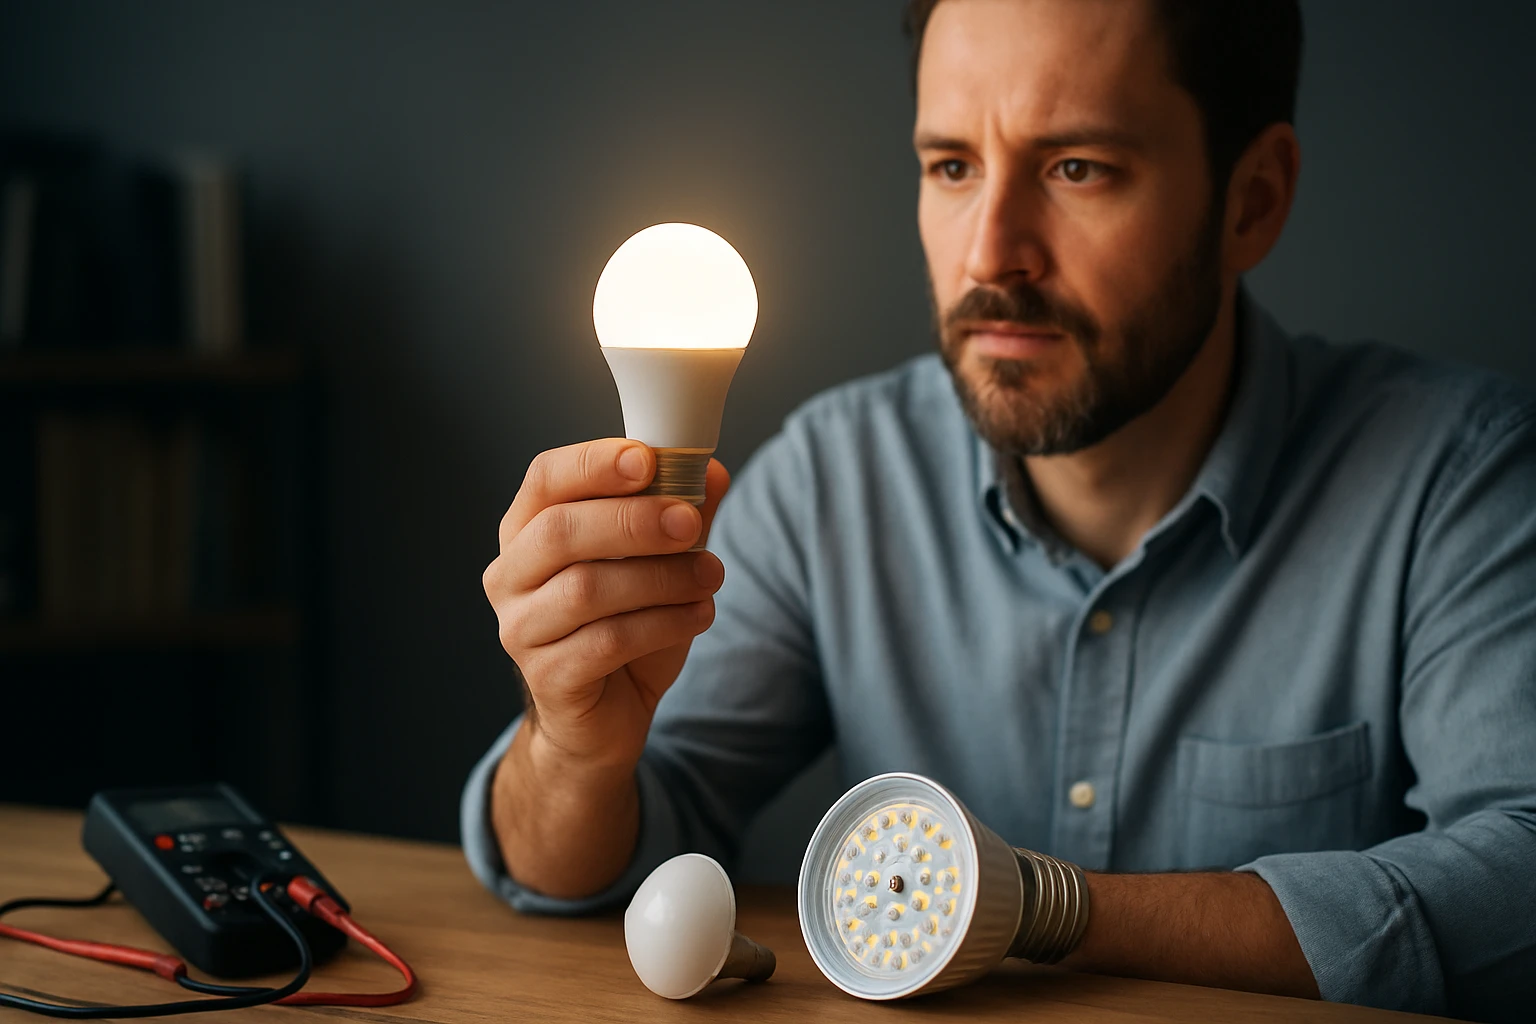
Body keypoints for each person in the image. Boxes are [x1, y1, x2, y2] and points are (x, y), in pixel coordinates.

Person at [464, 1, 1536, 1018]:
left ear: (1251, 198)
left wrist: (1033, 910)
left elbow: (1521, 880)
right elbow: (606, 874)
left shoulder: (1458, 477)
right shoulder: (834, 480)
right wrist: (571, 748)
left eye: (1077, 167)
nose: (990, 253)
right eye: (952, 166)